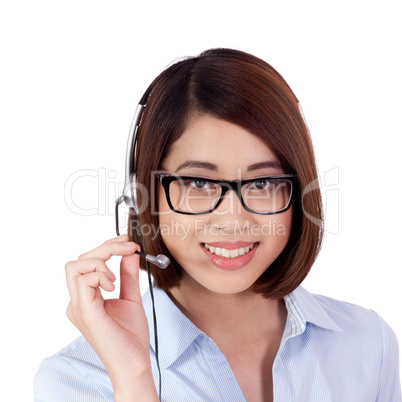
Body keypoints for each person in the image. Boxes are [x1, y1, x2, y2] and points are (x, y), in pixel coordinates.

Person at [34, 48, 401, 401]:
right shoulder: (77, 378)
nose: (232, 220)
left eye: (262, 183)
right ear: (144, 193)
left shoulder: (369, 345)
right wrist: (133, 379)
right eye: (198, 183)